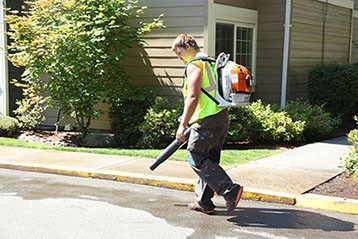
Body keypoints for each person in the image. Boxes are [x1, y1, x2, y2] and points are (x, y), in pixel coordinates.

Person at [171, 34, 243, 216]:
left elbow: (194, 96)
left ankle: (229, 190)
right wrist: (186, 117)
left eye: (179, 53)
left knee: (195, 156)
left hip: (207, 120)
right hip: (220, 117)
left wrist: (183, 124)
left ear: (188, 46)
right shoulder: (211, 62)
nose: (178, 57)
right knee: (209, 159)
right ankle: (204, 202)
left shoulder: (195, 65)